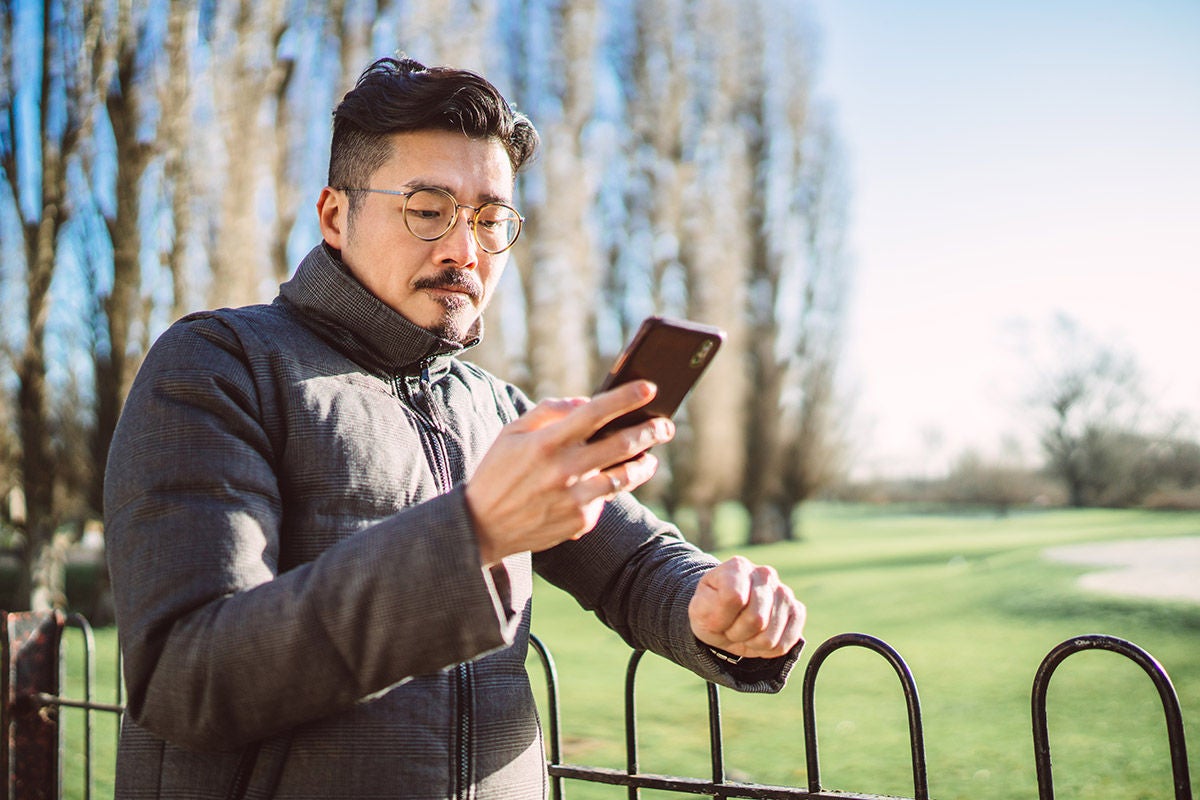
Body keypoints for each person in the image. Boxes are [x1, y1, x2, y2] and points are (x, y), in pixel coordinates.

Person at [104, 56, 806, 800]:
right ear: (336, 216)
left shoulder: (498, 409)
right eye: (428, 208)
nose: (464, 251)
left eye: (491, 219)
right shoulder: (217, 365)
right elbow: (187, 677)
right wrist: (472, 535)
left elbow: (633, 566)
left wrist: (709, 608)